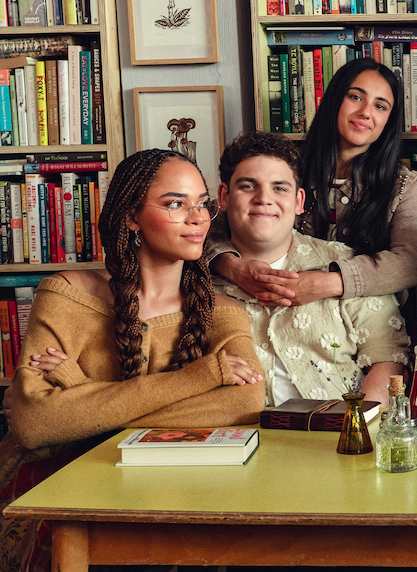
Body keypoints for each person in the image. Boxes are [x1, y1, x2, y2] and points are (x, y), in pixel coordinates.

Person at [1, 150, 266, 572]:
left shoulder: (223, 312)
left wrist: (82, 397)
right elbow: (35, 425)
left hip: (182, 500)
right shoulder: (68, 294)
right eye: (175, 203)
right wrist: (202, 377)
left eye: (203, 203)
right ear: (130, 217)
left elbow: (244, 405)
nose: (198, 218)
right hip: (61, 497)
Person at [208, 58, 417, 306]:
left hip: (365, 315)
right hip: (274, 303)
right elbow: (208, 222)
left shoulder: (402, 185)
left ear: (389, 120)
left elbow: (409, 262)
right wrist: (231, 265)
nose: (365, 112)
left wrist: (325, 283)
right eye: (356, 97)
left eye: (380, 106)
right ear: (335, 100)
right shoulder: (286, 165)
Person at [213, 132, 411, 405]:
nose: (264, 198)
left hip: (339, 435)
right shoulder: (197, 276)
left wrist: (356, 426)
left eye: (280, 188)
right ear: (223, 196)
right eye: (248, 186)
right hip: (236, 438)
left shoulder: (347, 265)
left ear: (298, 201)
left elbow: (389, 359)